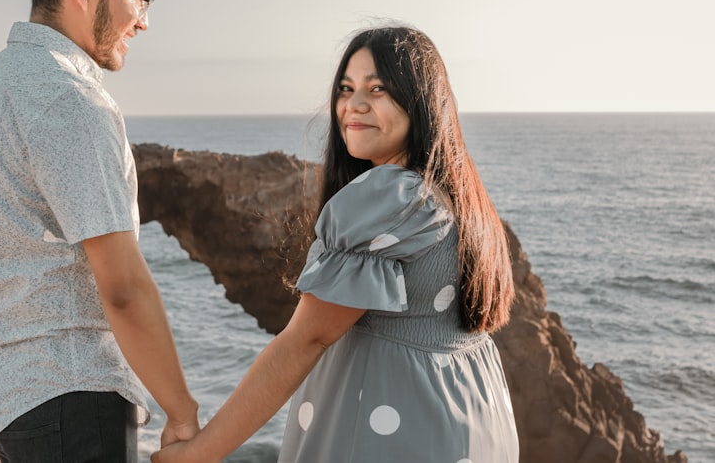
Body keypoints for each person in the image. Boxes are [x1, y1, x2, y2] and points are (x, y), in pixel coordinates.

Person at [153, 25, 518, 462]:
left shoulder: (389, 195)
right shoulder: (456, 194)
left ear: (419, 100)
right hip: (472, 418)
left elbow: (305, 339)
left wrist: (201, 452)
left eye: (378, 88)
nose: (353, 105)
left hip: (394, 429)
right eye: (346, 88)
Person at [0, 0, 199, 463]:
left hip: (11, 390)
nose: (145, 20)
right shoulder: (71, 100)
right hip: (70, 388)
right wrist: (182, 411)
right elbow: (123, 286)